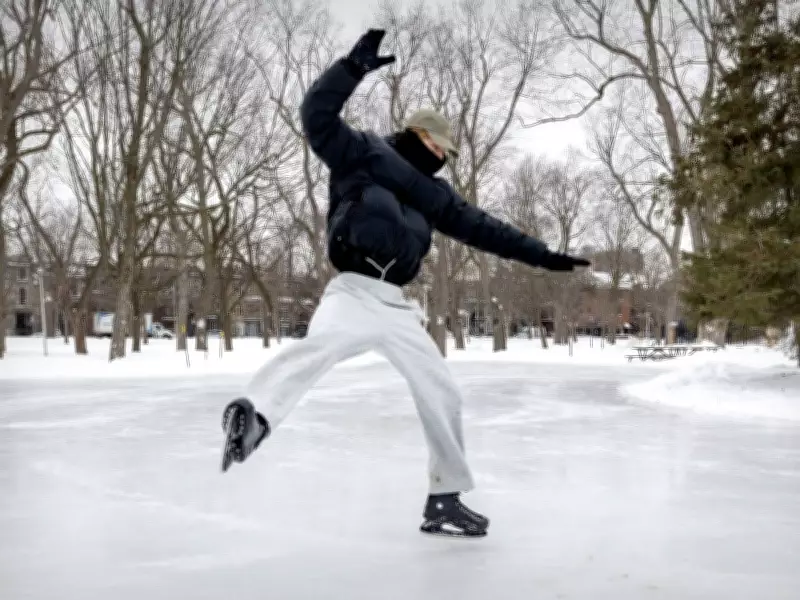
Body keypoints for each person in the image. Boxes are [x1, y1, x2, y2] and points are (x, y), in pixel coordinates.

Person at [219, 29, 590, 538]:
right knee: (319, 348)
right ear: (423, 137)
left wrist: (544, 257)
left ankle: (445, 499)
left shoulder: (435, 197)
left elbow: (485, 229)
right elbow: (316, 118)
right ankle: (253, 417)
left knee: (442, 391)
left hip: (395, 306)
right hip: (352, 289)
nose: (446, 157)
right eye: (443, 147)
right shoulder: (361, 152)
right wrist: (350, 68)